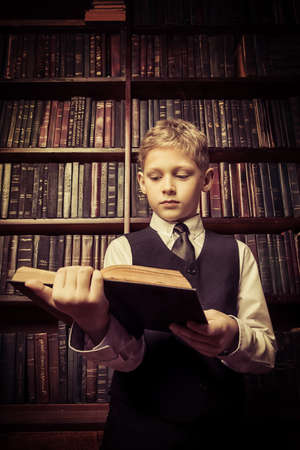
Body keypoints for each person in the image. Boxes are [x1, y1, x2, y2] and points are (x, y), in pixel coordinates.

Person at [26, 119, 277, 449]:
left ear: (208, 180)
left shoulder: (238, 253)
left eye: (182, 174)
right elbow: (128, 357)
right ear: (142, 182)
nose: (168, 187)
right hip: (138, 430)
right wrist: (95, 324)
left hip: (221, 430)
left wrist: (233, 336)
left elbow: (267, 355)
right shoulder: (123, 250)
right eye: (156, 177)